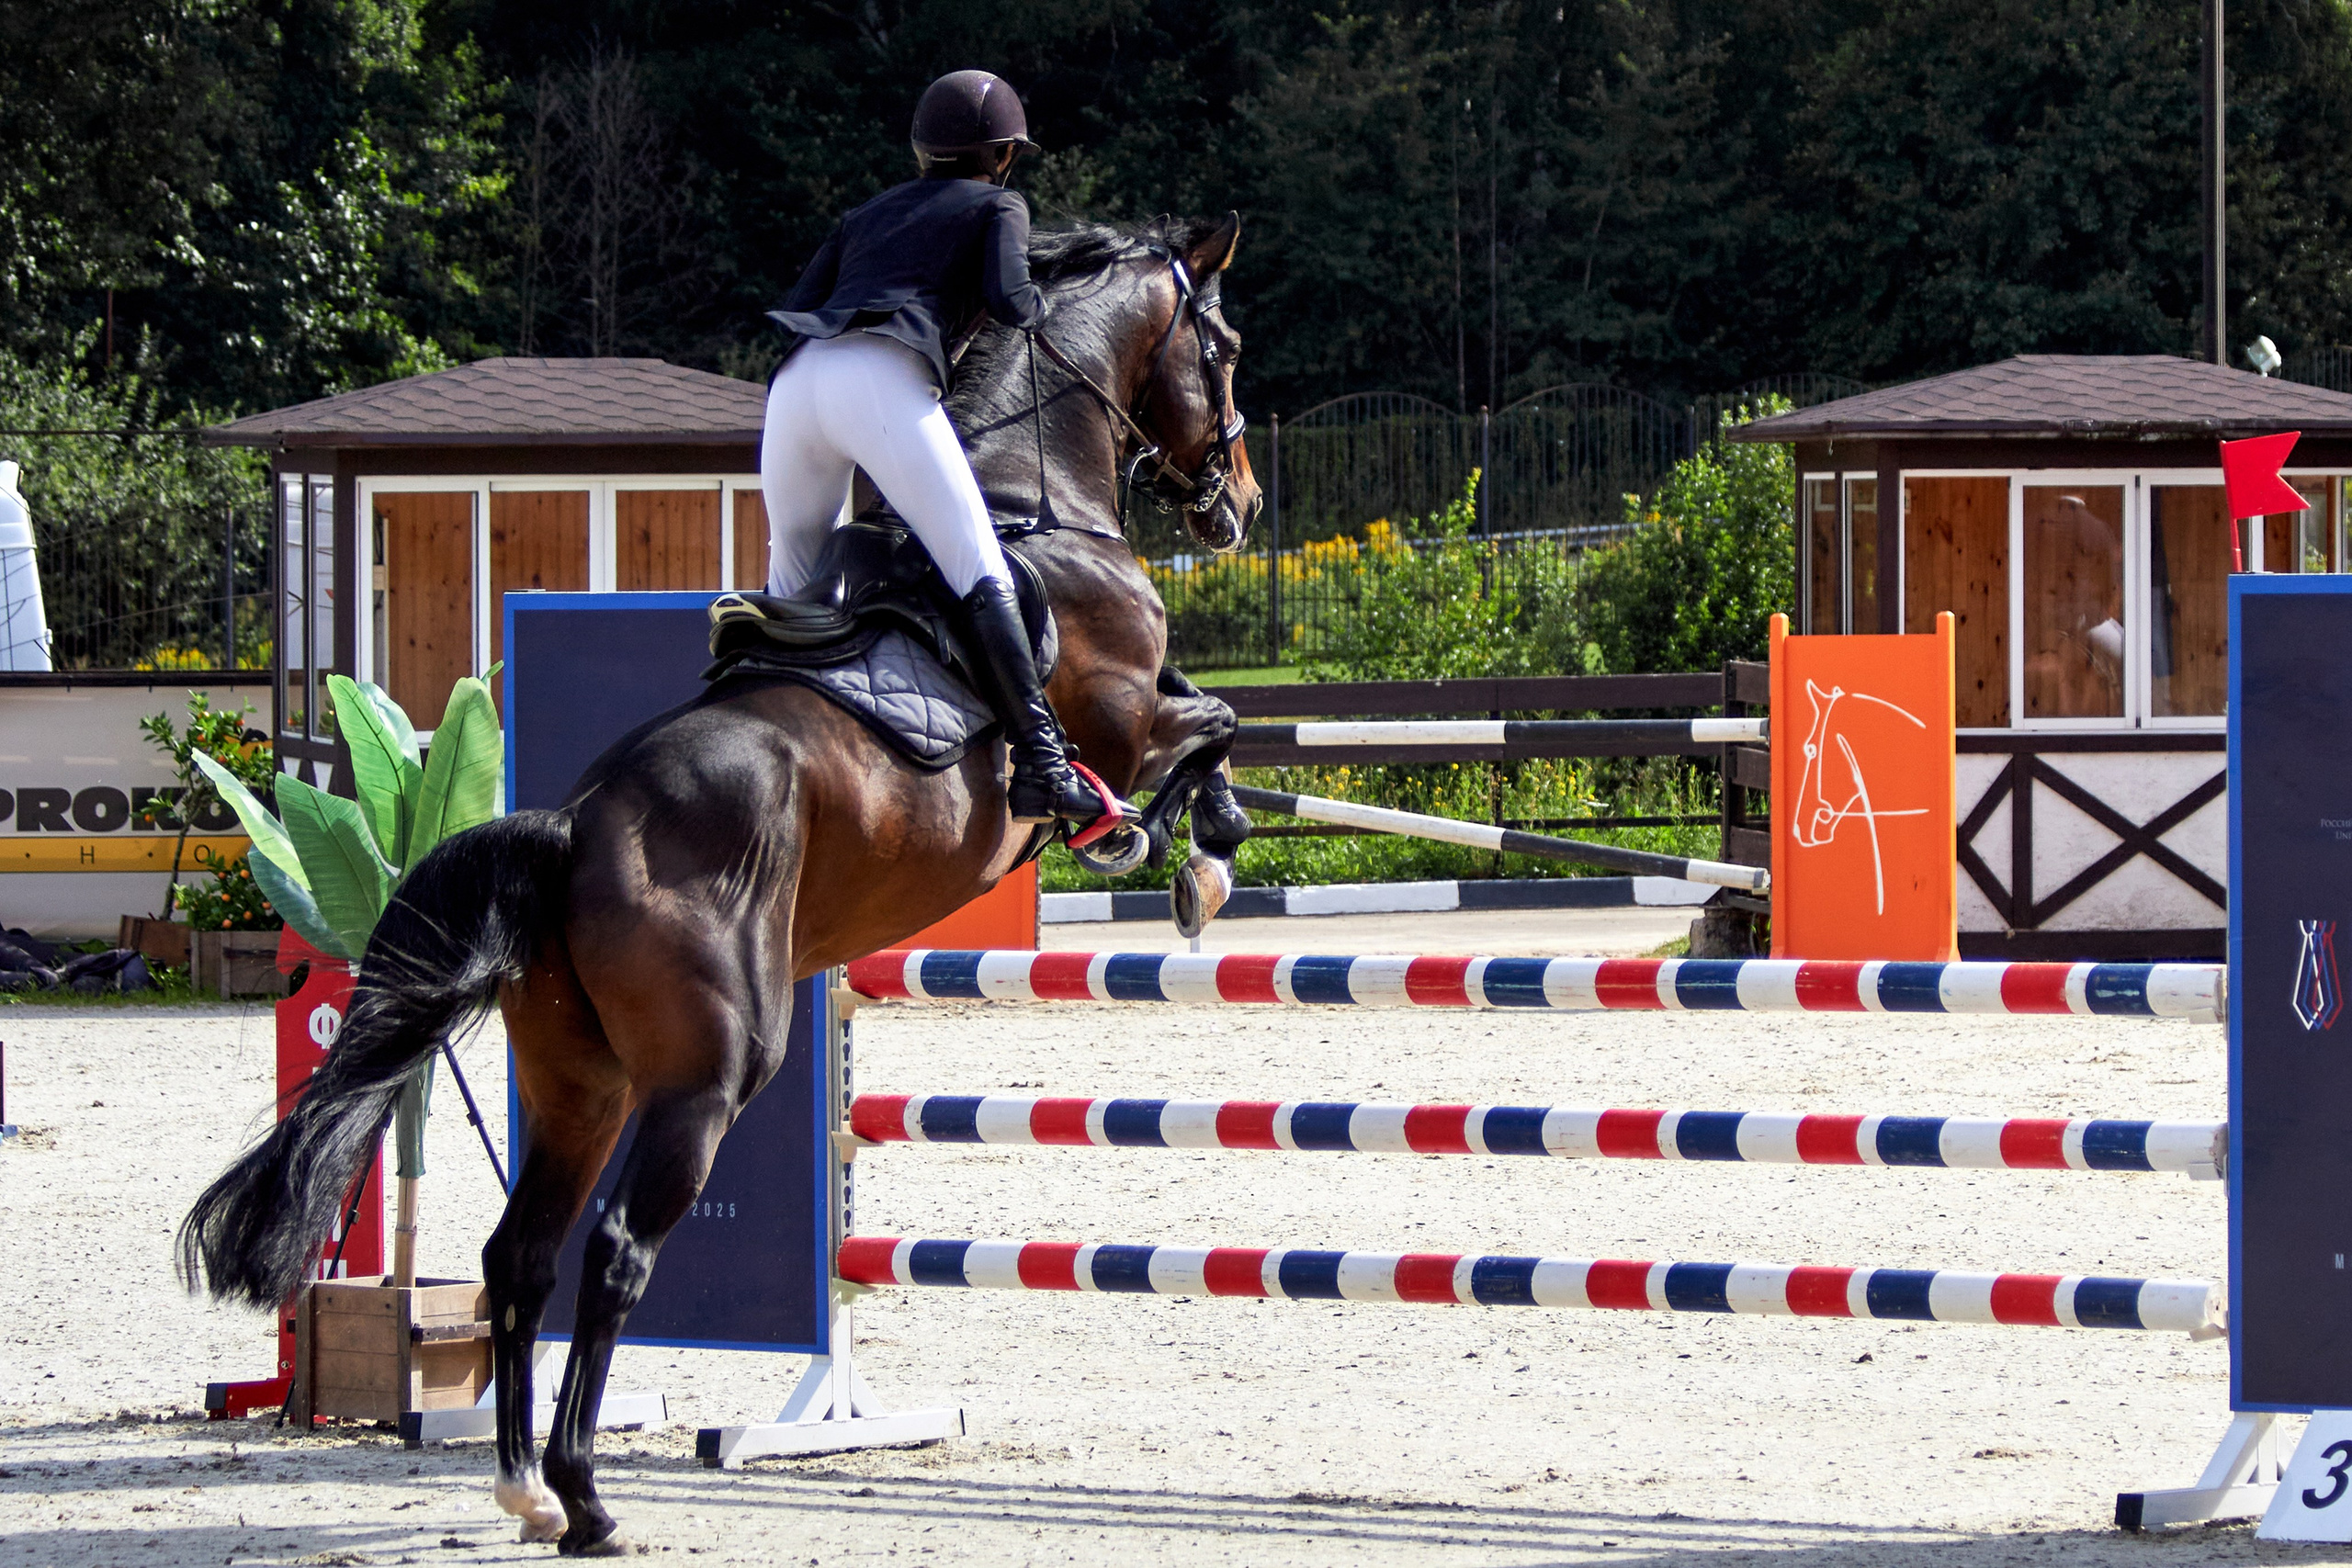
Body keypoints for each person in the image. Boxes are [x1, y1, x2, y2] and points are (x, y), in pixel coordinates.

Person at [760, 69, 1103, 828]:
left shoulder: (864, 213)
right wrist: (1051, 297)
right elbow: (1013, 302)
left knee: (789, 590)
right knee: (977, 562)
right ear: (1004, 154)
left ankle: (759, 736)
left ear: (922, 149)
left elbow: (805, 302)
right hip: (880, 380)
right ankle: (1044, 767)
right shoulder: (1000, 203)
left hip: (797, 384)